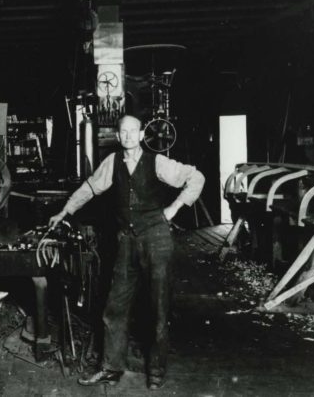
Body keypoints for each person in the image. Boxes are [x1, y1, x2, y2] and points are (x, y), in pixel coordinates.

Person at [49, 115, 204, 390]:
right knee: (114, 308)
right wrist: (65, 211)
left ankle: (156, 372)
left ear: (142, 134)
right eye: (124, 132)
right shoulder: (112, 163)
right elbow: (89, 187)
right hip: (126, 242)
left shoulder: (158, 162)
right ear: (118, 137)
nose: (129, 136)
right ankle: (111, 368)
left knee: (158, 308)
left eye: (134, 131)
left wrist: (175, 207)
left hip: (156, 240)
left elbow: (196, 177)